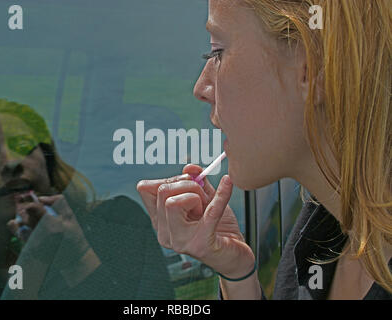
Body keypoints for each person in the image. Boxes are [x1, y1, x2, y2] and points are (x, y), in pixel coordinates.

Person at [137, 0, 391, 299]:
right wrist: (236, 273)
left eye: (217, 52)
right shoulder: (319, 237)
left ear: (314, 67)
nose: (201, 88)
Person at [0, 98, 174, 299]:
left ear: (47, 160)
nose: (12, 162)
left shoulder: (119, 224)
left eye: (23, 145)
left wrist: (77, 256)